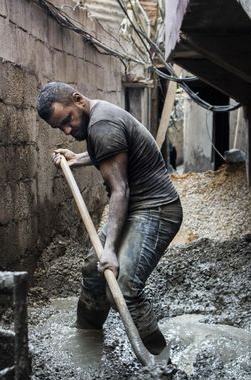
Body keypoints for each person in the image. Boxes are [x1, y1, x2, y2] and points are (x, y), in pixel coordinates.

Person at [36, 81, 182, 355]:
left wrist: (111, 250)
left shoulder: (102, 125)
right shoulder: (98, 116)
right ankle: (87, 341)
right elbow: (113, 153)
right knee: (94, 269)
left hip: (156, 209)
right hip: (135, 206)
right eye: (60, 128)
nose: (68, 130)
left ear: (78, 100)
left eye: (68, 120)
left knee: (125, 286)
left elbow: (119, 190)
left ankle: (159, 360)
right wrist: (77, 158)